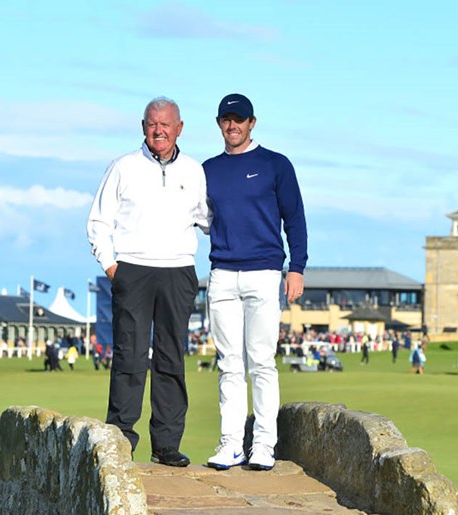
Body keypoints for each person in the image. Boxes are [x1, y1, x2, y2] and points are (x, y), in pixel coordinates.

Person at [86, 96, 210, 468]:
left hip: (178, 272)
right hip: (133, 271)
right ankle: (121, 440)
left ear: (179, 128)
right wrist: (113, 269)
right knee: (129, 356)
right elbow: (98, 223)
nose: (159, 130)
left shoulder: (193, 170)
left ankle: (167, 444)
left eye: (166, 124)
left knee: (172, 359)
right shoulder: (123, 167)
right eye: (152, 124)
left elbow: (209, 221)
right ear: (144, 127)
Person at [203, 93, 308, 472]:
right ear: (219, 124)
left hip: (264, 272)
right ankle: (231, 443)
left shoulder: (275, 165)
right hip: (222, 273)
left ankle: (263, 443)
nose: (233, 126)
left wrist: (297, 267)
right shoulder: (208, 170)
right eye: (227, 120)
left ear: (252, 123)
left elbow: (294, 218)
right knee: (229, 363)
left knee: (261, 361)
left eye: (240, 119)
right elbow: (199, 217)